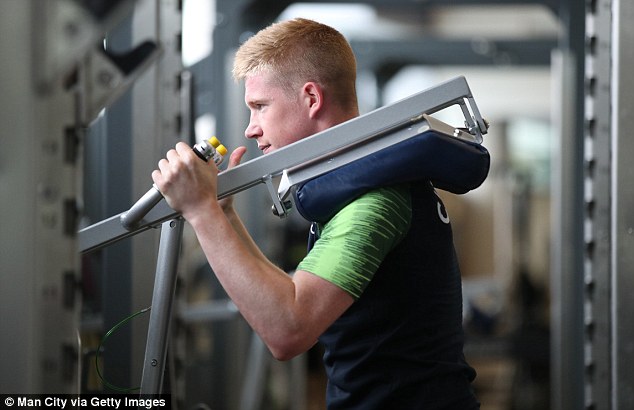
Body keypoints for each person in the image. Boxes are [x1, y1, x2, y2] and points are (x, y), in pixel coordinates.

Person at [152, 17, 479, 409]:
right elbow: (297, 292)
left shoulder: (373, 199)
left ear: (311, 98)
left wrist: (200, 211)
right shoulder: (359, 182)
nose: (250, 130)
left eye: (260, 107)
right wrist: (223, 215)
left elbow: (288, 329)